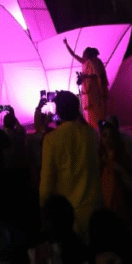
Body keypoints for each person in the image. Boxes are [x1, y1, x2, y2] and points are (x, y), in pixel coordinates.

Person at [39, 90, 103, 243]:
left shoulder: (51, 139)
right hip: (95, 205)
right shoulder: (92, 134)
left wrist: (43, 207)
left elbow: (47, 180)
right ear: (77, 109)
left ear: (58, 112)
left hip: (69, 212)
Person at [63, 39, 109, 129]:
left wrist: (85, 77)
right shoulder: (84, 62)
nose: (82, 54)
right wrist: (66, 44)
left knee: (95, 108)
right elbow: (73, 55)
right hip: (87, 89)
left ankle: (98, 126)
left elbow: (97, 75)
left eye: (84, 53)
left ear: (88, 54)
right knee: (89, 109)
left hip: (93, 89)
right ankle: (91, 126)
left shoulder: (93, 62)